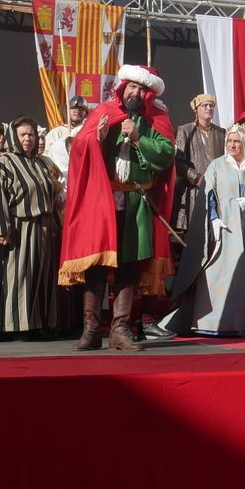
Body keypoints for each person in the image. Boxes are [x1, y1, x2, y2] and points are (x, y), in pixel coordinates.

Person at [58, 66, 176, 351]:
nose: (135, 93)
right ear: (122, 87)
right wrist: (95, 139)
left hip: (137, 203)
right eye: (131, 87)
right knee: (97, 265)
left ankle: (120, 330)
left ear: (148, 93)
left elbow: (166, 154)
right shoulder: (104, 111)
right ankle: (91, 330)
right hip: (103, 202)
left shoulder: (157, 118)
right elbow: (80, 148)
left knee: (129, 267)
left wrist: (138, 138)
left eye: (140, 89)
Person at [163, 123, 245, 338]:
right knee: (220, 275)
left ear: (244, 143)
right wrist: (214, 220)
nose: (232, 145)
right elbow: (208, 195)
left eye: (237, 141)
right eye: (229, 141)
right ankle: (217, 322)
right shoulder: (216, 166)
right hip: (225, 232)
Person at [0, 116, 66, 338]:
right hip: (19, 227)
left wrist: (57, 196)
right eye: (22, 134)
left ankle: (38, 324)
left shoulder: (41, 162)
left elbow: (53, 186)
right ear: (14, 137)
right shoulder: (5, 162)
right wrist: (1, 228)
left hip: (43, 226)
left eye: (31, 134)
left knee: (41, 276)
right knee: (19, 276)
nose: (28, 139)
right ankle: (17, 325)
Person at [173, 93, 225, 249]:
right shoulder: (185, 130)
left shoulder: (221, 133)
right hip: (192, 190)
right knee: (193, 236)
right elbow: (178, 161)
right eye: (205, 106)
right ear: (196, 109)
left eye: (211, 106)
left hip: (216, 189)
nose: (209, 108)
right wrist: (196, 178)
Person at [44, 95, 89, 186]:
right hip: (61, 181)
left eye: (81, 109)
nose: (77, 111)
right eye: (73, 108)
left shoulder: (88, 132)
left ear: (86, 113)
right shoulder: (56, 132)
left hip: (82, 178)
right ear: (68, 110)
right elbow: (45, 156)